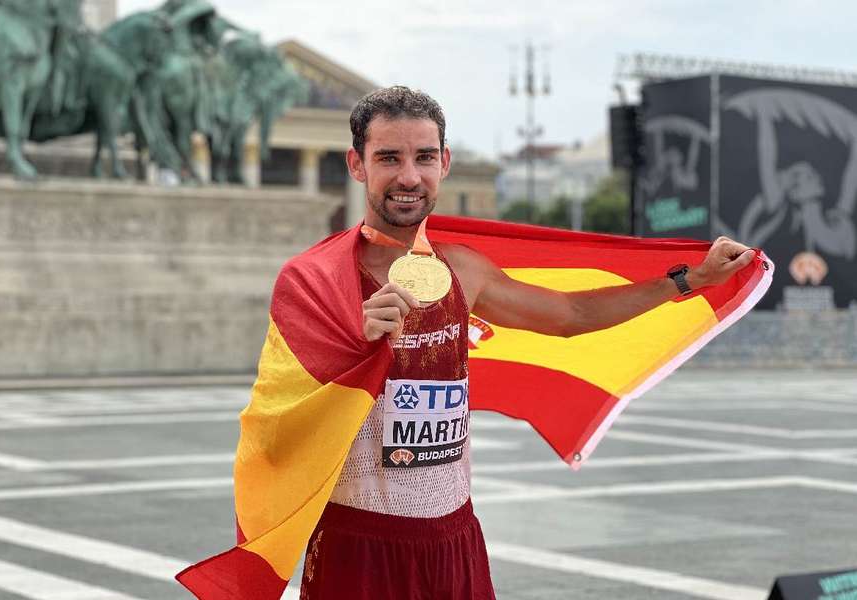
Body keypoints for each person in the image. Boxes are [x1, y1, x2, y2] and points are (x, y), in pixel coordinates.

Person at [295, 86, 755, 599]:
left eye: (424, 157)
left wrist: (689, 280)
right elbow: (278, 417)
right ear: (357, 164)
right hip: (359, 545)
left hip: (452, 536)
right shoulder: (316, 279)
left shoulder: (464, 270)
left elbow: (570, 315)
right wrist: (349, 341)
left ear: (444, 163)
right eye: (388, 158)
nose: (409, 176)